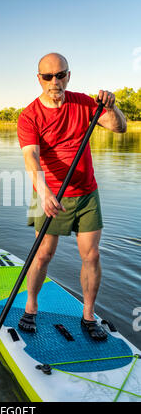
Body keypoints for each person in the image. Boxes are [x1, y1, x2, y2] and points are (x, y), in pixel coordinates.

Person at [17, 53, 127, 340]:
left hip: (86, 193)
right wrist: (43, 191)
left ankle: (89, 316)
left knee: (92, 255)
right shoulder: (29, 116)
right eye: (48, 76)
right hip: (50, 192)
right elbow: (31, 157)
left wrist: (112, 107)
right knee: (43, 255)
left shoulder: (84, 103)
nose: (55, 81)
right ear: (38, 79)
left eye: (60, 74)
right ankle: (31, 306)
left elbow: (119, 127)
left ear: (69, 75)